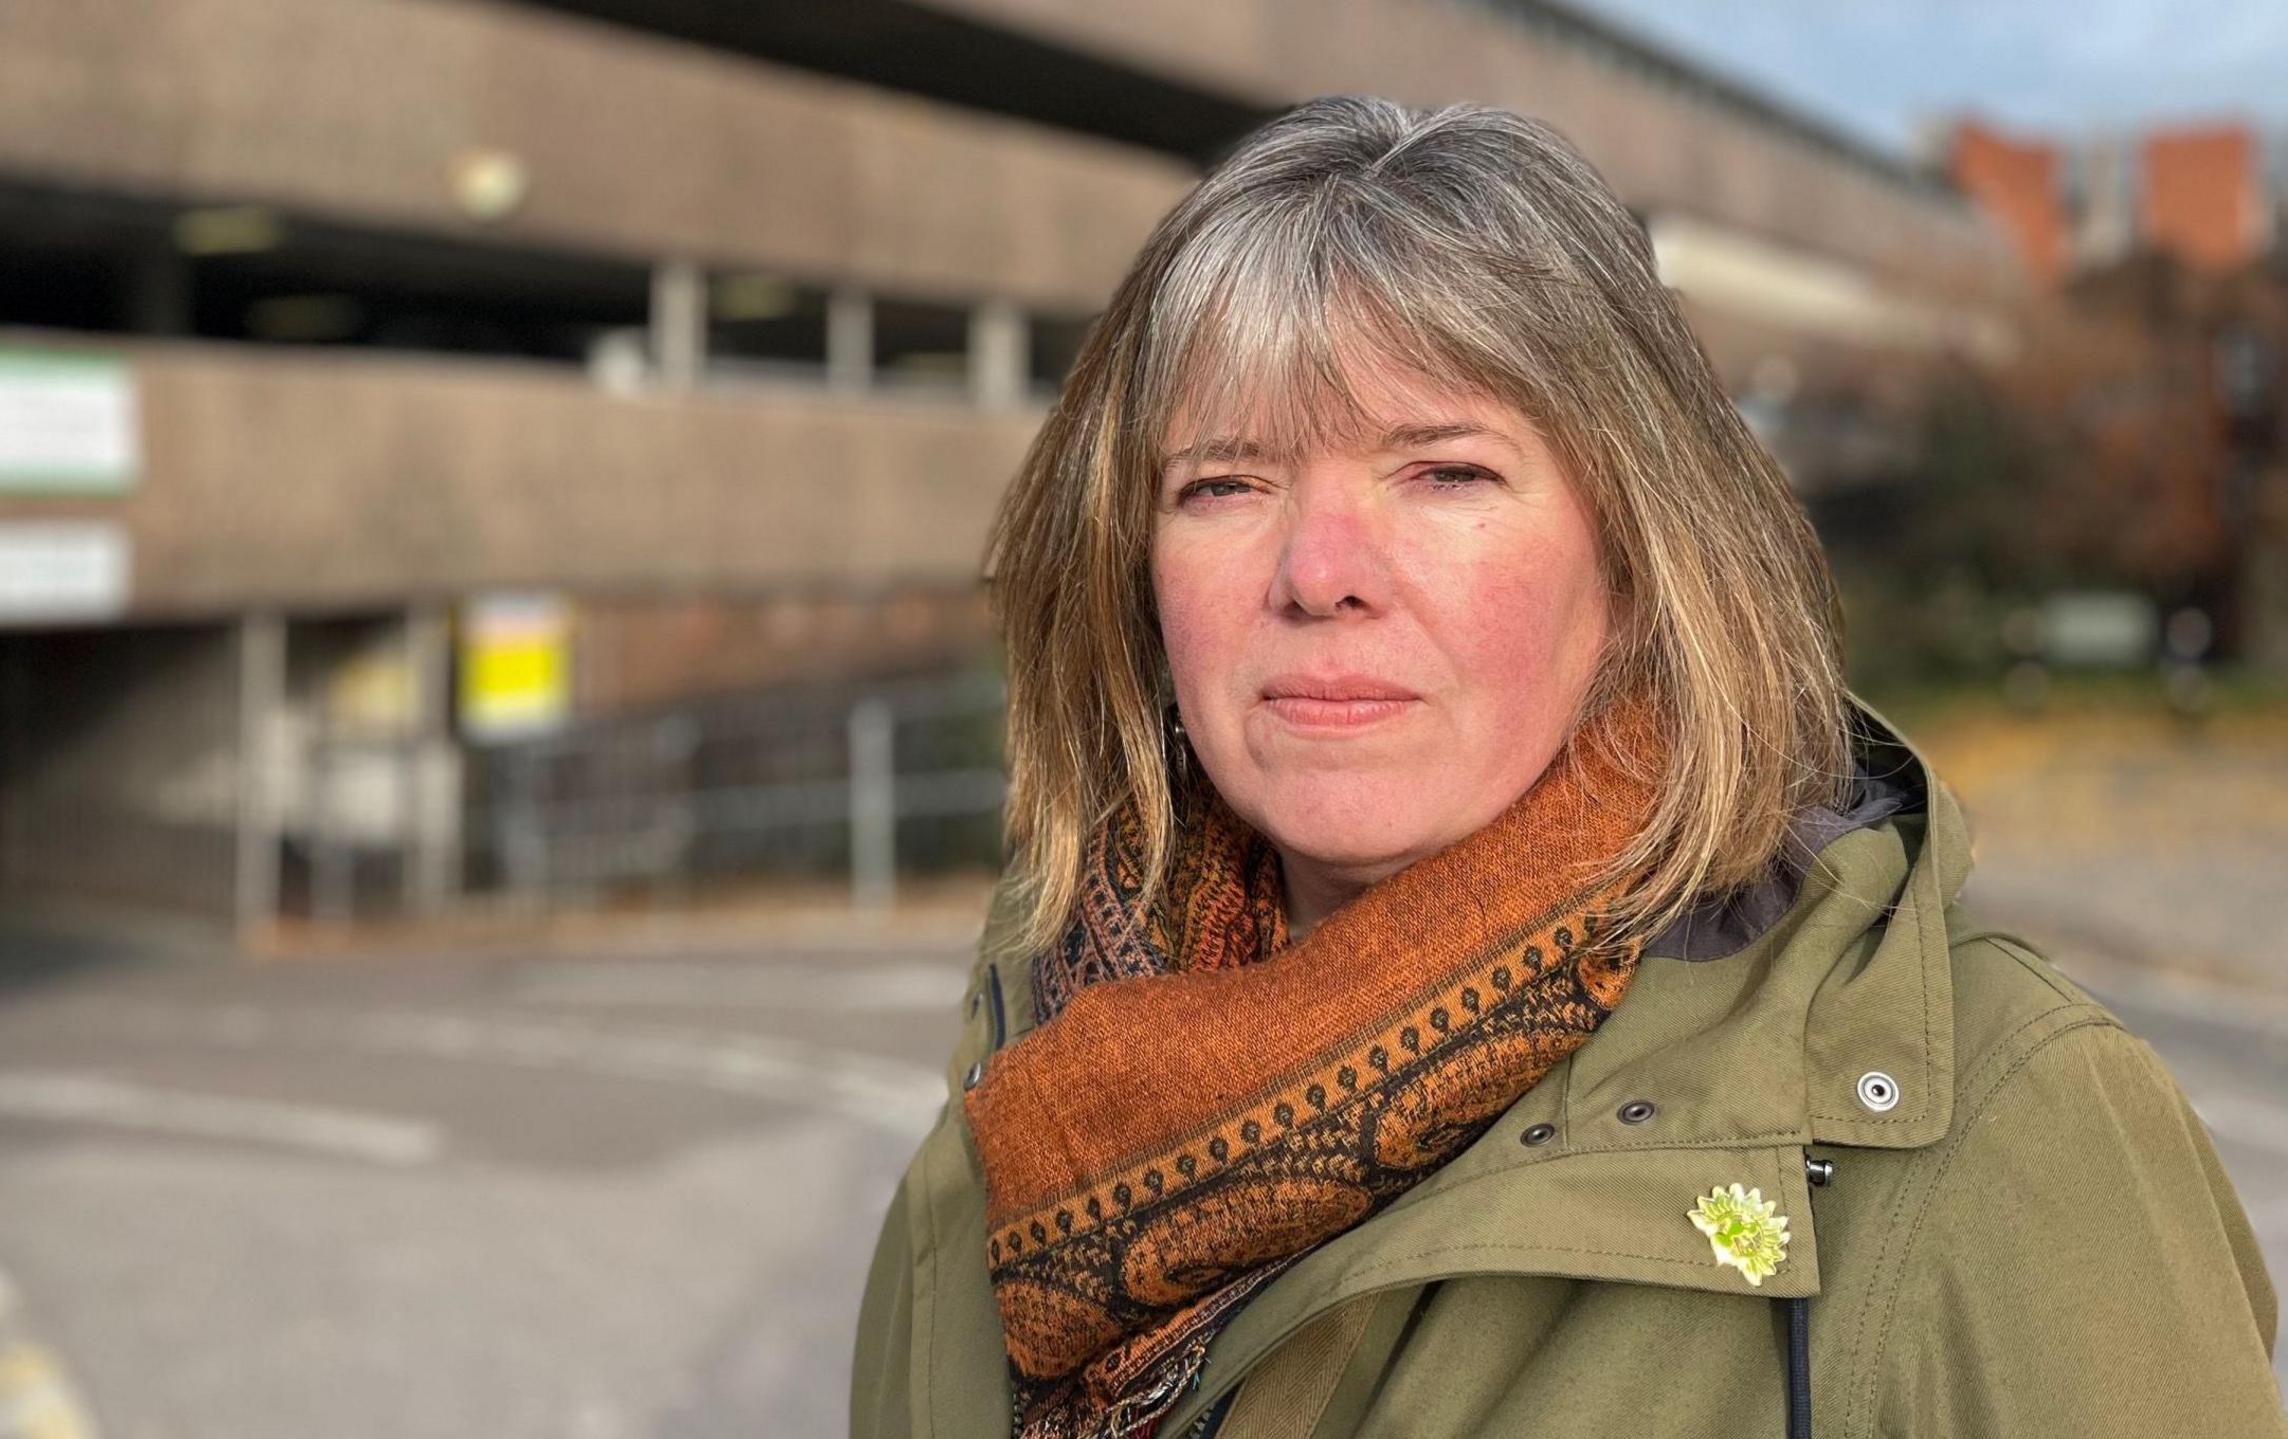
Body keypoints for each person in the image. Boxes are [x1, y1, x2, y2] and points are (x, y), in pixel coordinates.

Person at [850, 97, 2286, 1439]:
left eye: (1445, 472)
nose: (1317, 573)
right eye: (1225, 483)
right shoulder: (1023, 1105)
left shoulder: (2011, 1135)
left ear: (1639, 554)